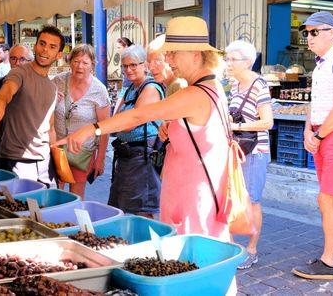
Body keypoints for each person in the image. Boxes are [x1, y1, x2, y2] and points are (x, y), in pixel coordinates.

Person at [57, 16, 231, 240]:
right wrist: (172, 126)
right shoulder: (211, 87)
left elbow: (138, 115)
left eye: (172, 53)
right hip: (193, 194)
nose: (167, 60)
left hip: (193, 198)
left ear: (195, 55)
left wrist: (90, 129)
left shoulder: (194, 93)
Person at [291, 11, 333, 281]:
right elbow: (316, 104)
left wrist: (319, 137)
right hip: (326, 134)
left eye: (314, 31)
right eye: (305, 33)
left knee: (326, 198)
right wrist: (309, 129)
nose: (308, 37)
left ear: (332, 33)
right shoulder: (321, 64)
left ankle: (328, 262)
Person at [0, 26, 64, 186]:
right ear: (35, 46)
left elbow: (50, 128)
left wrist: (58, 160)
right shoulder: (20, 72)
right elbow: (8, 89)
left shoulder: (53, 88)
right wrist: (1, 102)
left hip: (44, 163)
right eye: (42, 44)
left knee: (47, 209)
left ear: (59, 55)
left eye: (52, 47)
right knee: (20, 209)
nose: (45, 50)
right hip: (17, 161)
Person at [225, 40, 274, 270]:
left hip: (255, 151)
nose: (228, 63)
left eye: (232, 59)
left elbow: (267, 122)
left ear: (247, 62)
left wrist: (237, 128)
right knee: (233, 198)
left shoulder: (259, 85)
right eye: (227, 59)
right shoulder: (234, 86)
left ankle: (252, 249)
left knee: (252, 200)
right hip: (237, 151)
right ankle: (233, 247)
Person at [105, 44, 164, 217]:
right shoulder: (132, 88)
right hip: (127, 156)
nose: (128, 70)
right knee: (120, 206)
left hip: (142, 157)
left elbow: (129, 122)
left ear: (144, 65)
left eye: (133, 65)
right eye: (125, 66)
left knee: (141, 209)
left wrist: (98, 129)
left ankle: (147, 243)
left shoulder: (150, 88)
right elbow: (116, 117)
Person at [52, 45, 110, 199]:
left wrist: (100, 159)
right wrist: (50, 101)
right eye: (76, 61)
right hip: (56, 147)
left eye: (85, 63)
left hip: (82, 152)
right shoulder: (57, 81)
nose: (80, 66)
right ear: (69, 62)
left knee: (76, 197)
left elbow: (104, 128)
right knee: (54, 193)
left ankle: (74, 223)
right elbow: (43, 114)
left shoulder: (99, 90)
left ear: (92, 65)